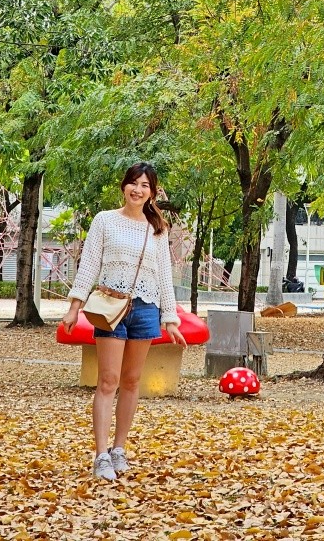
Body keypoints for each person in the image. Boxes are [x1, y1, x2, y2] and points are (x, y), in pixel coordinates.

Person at [61, 162, 187, 480]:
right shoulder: (105, 221)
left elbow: (163, 278)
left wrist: (170, 319)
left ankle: (119, 449)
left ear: (152, 192)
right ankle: (101, 454)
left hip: (145, 309)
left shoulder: (157, 230)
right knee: (107, 381)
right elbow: (89, 264)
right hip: (110, 307)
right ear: (124, 187)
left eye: (145, 185)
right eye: (133, 183)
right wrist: (74, 307)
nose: (138, 189)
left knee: (131, 382)